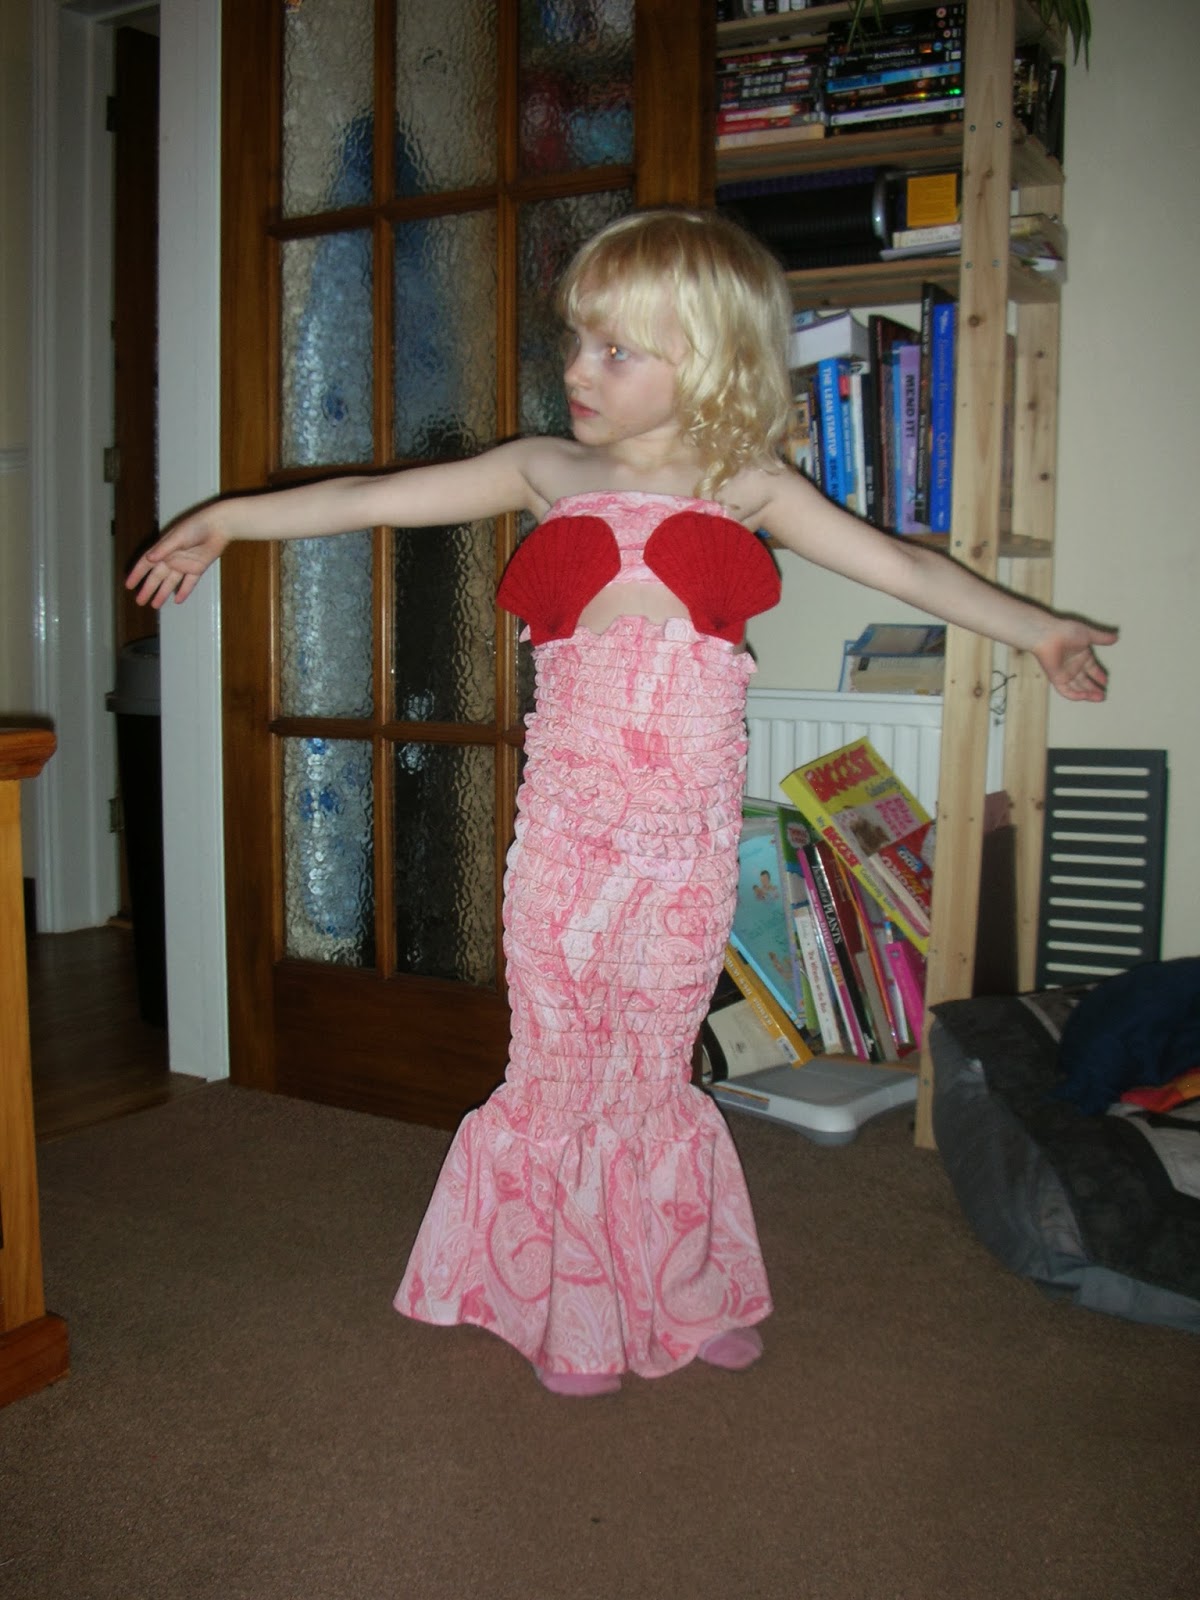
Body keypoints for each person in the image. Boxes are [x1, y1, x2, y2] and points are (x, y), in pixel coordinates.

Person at [129, 208, 1116, 1397]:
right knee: (559, 1061)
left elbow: (905, 566)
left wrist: (1040, 630)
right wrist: (225, 521)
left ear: (705, 362)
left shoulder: (748, 485)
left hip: (682, 850)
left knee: (650, 1070)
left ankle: (684, 1291)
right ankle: (565, 1306)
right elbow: (373, 496)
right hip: (567, 840)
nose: (579, 370)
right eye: (578, 341)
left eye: (616, 350)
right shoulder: (545, 470)